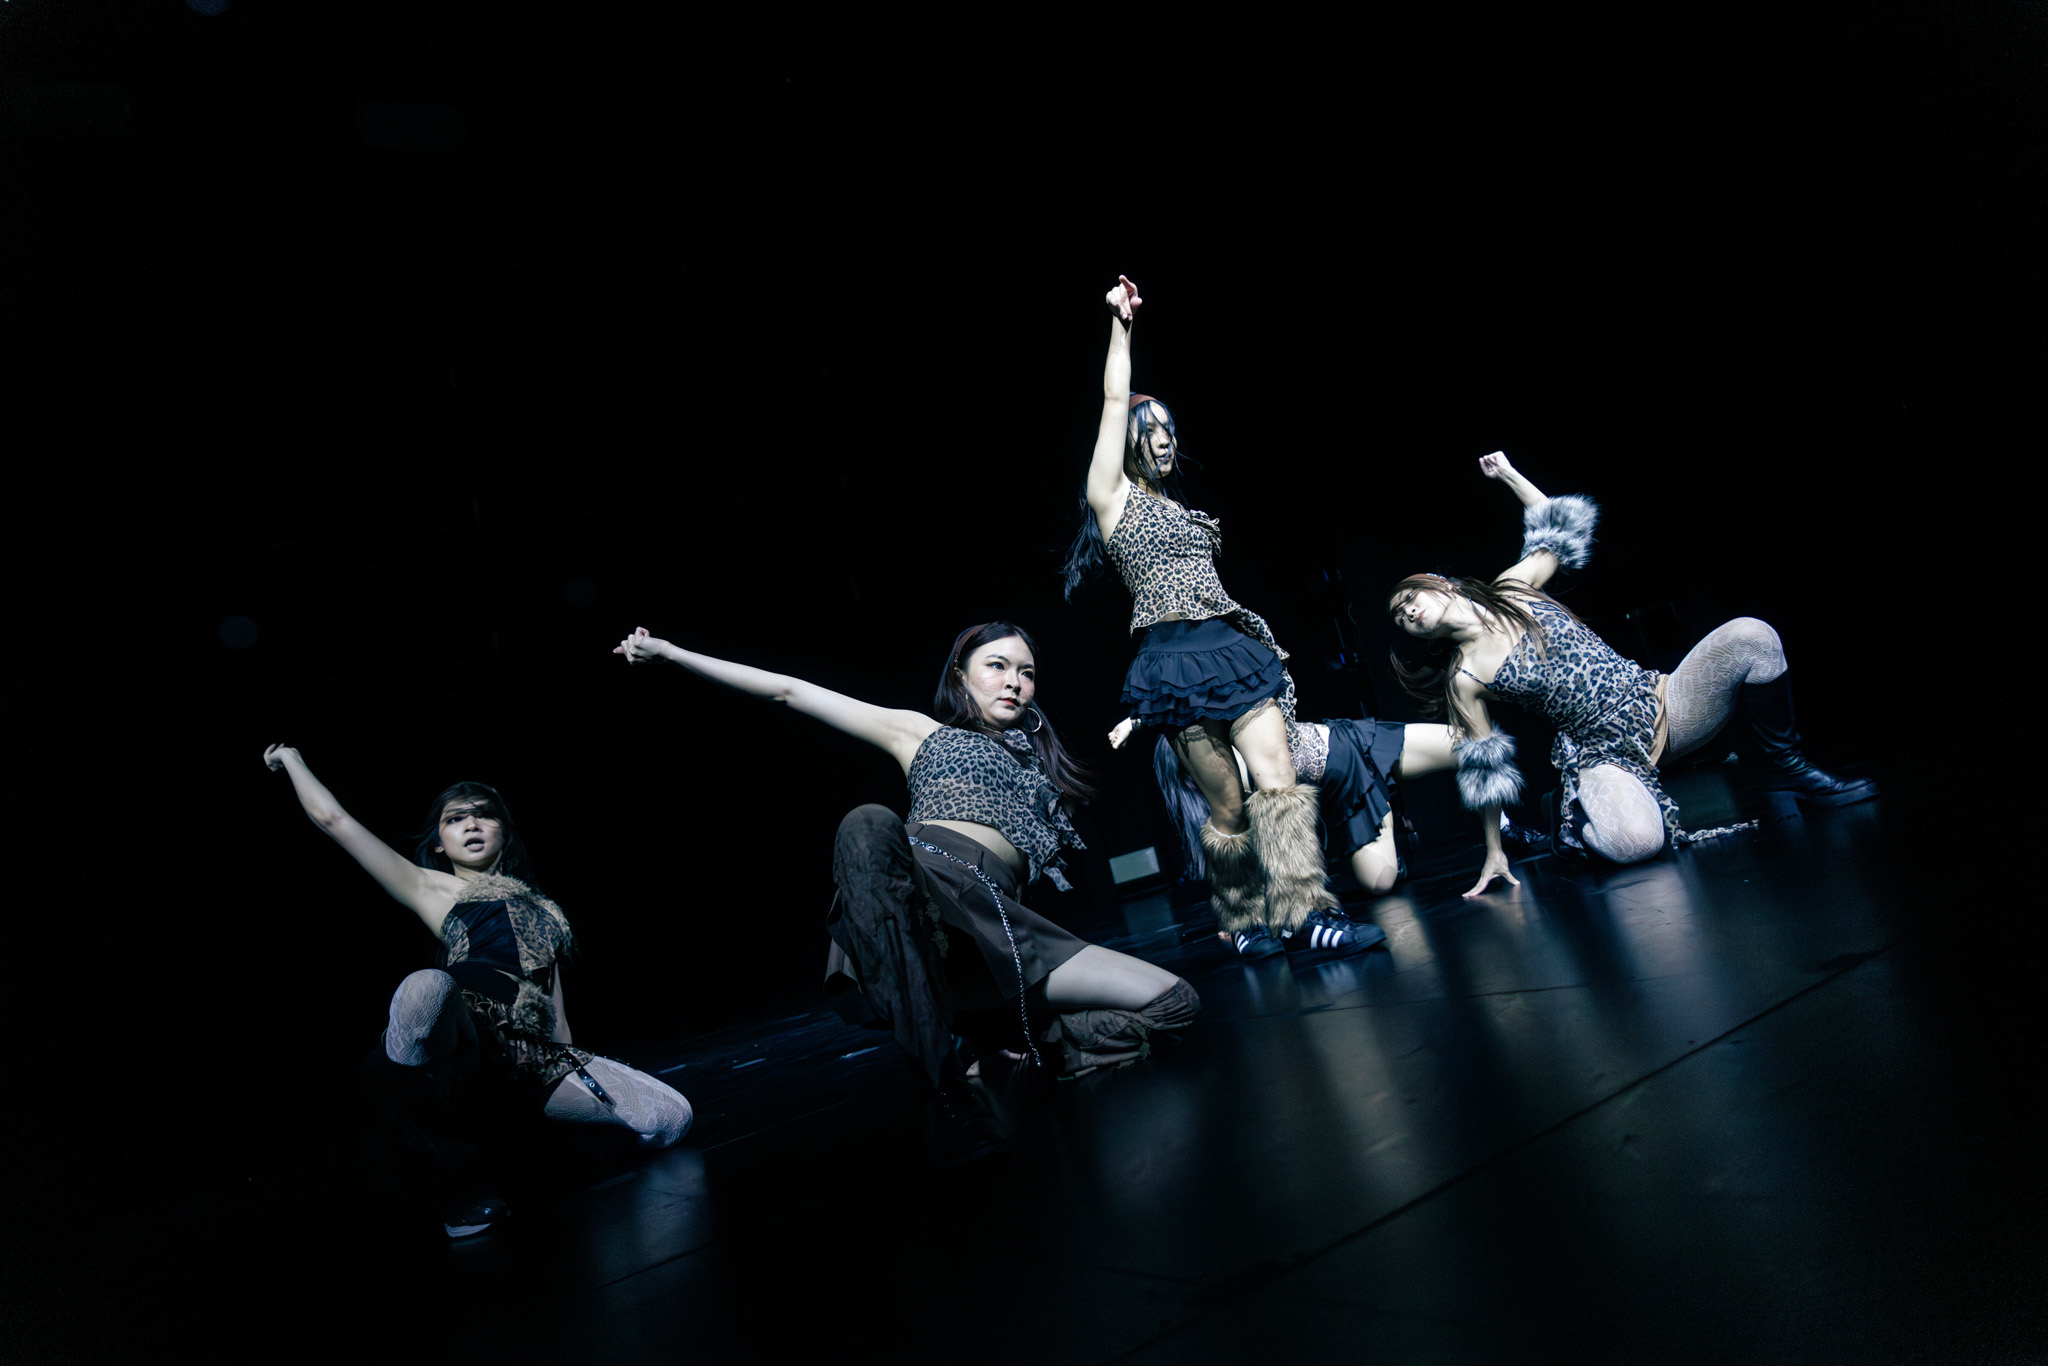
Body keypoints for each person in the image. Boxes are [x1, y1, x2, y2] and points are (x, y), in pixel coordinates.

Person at [612, 621, 1199, 1164]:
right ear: (960, 677)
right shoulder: (921, 732)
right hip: (920, 895)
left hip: (996, 927)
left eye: (1026, 672)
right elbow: (789, 691)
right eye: (997, 666)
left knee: (1176, 1002)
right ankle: (944, 1085)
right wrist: (672, 653)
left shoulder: (1043, 774)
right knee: (867, 823)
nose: (1014, 682)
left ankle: (1011, 1044)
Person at [1388, 452, 1877, 894]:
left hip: (1659, 702)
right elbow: (1486, 771)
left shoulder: (1513, 591)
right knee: (1636, 844)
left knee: (1753, 636)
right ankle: (1571, 815)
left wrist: (1509, 475)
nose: (1408, 612)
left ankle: (1782, 767)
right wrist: (1495, 851)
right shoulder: (1465, 676)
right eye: (1400, 618)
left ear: (1441, 585)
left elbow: (1557, 526)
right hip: (1601, 753)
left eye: (1410, 598)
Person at [264, 748, 693, 1234]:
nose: (471, 824)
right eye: (455, 818)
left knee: (672, 1118)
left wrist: (568, 1062)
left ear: (504, 831)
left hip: (528, 1055)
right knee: (426, 987)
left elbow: (554, 1009)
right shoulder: (431, 887)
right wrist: (292, 759)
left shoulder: (546, 910)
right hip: (467, 1030)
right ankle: (450, 1185)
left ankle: (530, 1143)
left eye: (484, 815)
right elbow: (334, 820)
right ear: (439, 843)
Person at [1062, 275, 1359, 961]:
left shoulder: (1178, 506)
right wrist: (1121, 326)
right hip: (1173, 664)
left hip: (1231, 647)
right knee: (1227, 809)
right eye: (1150, 431)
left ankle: (1307, 913)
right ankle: (1243, 914)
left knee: (1278, 784)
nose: (1164, 440)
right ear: (1127, 441)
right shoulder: (1112, 498)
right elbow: (1114, 397)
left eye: (1169, 430)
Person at [1114, 708, 1504, 944]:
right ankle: (1381, 807)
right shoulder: (1220, 793)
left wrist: (1495, 845)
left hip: (1352, 746)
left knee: (1478, 746)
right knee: (1380, 884)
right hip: (1340, 792)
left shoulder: (1233, 743)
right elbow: (1250, 845)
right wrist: (1241, 916)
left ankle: (1508, 823)